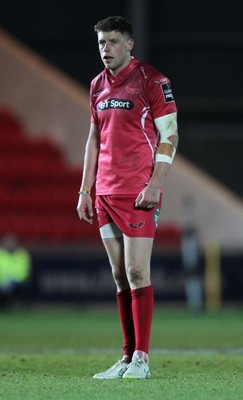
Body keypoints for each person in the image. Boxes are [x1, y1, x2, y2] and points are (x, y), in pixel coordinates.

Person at [77, 16, 178, 379]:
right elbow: (94, 138)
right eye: (102, 42)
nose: (106, 49)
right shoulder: (96, 86)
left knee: (138, 272)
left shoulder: (153, 81)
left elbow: (170, 136)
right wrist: (86, 189)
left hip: (138, 192)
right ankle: (125, 358)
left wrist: (155, 183)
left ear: (130, 44)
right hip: (104, 192)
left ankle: (142, 360)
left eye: (114, 42)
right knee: (120, 278)